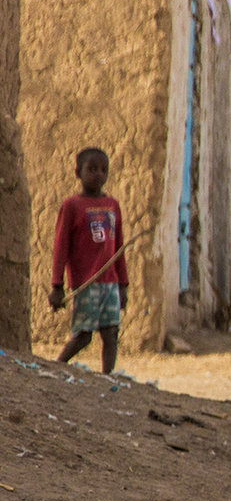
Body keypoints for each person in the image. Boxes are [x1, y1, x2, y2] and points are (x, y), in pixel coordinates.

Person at [48, 147, 128, 374]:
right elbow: (61, 248)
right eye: (91, 169)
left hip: (110, 282)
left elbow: (119, 247)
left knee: (111, 332)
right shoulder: (72, 206)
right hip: (86, 283)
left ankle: (107, 377)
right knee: (83, 336)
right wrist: (57, 285)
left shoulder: (112, 205)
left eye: (104, 170)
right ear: (78, 172)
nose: (98, 174)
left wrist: (123, 284)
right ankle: (56, 367)